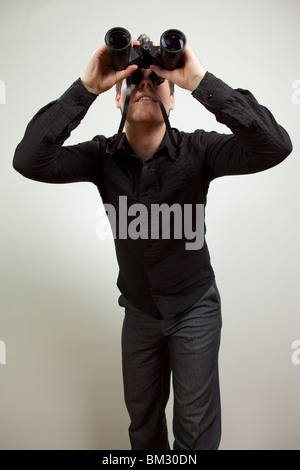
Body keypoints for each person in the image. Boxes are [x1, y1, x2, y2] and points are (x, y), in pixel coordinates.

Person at [13, 32, 292, 451]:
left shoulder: (199, 150)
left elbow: (275, 146)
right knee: (142, 427)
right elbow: (28, 159)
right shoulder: (100, 157)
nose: (144, 84)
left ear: (173, 97)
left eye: (155, 80)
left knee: (195, 431)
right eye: (134, 80)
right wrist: (87, 87)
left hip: (194, 307)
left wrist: (201, 82)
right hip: (140, 311)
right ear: (117, 96)